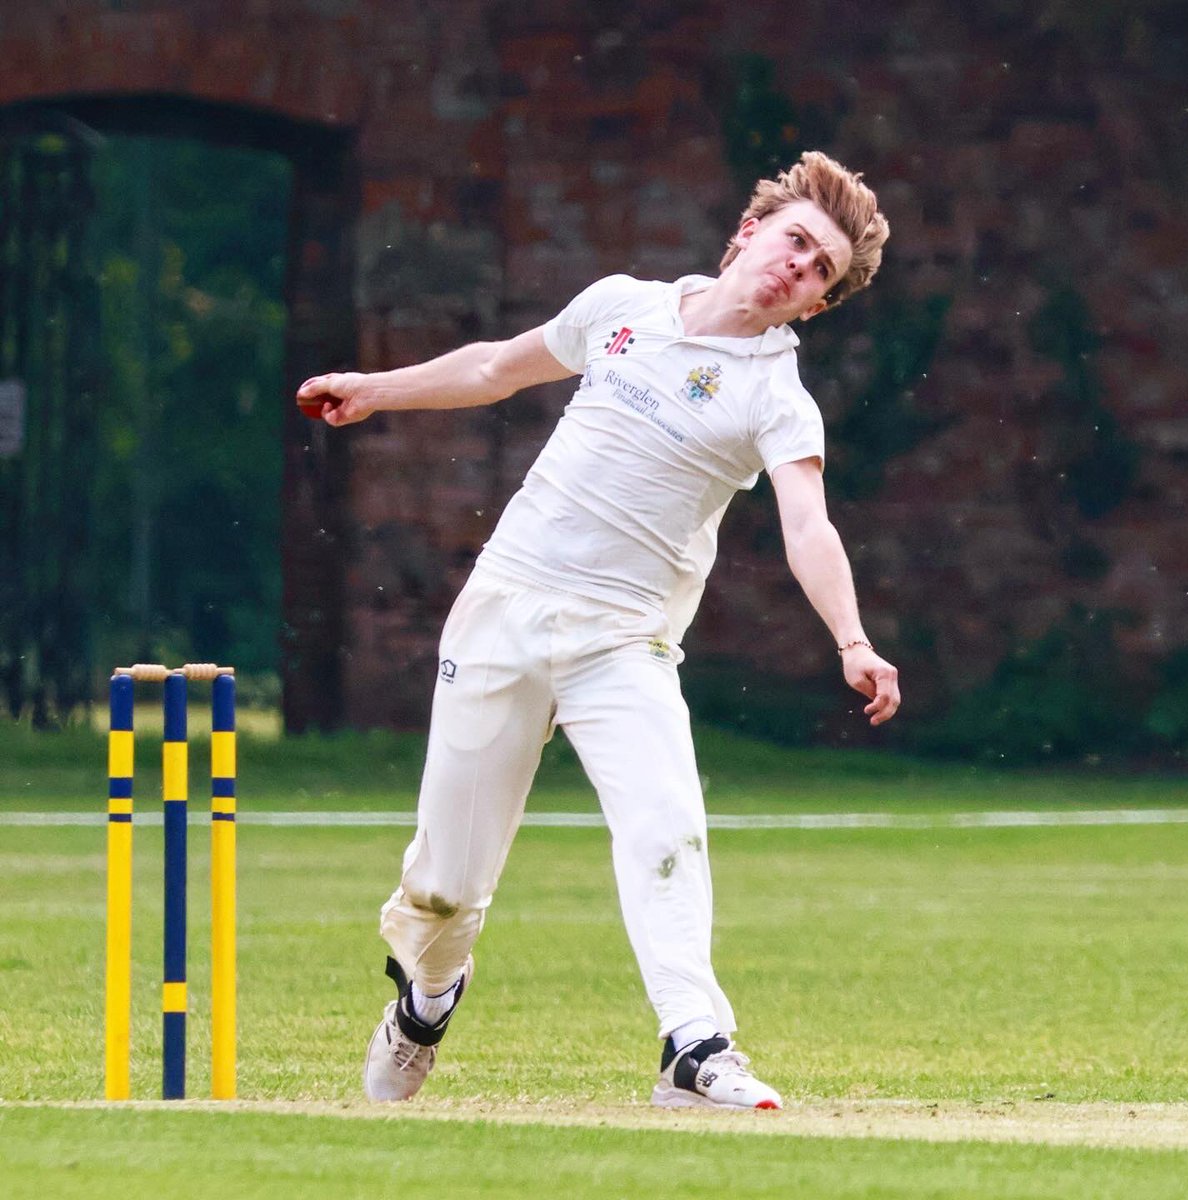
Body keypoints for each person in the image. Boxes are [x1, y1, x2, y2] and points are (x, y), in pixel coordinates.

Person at [296, 150, 900, 1111]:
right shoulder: (623, 305)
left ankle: (695, 1049)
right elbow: (496, 368)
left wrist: (852, 641)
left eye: (819, 270)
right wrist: (376, 387)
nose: (798, 266)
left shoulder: (775, 396)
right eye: (795, 241)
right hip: (504, 608)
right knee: (446, 888)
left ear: (814, 308)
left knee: (667, 826)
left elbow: (807, 522)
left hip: (625, 640)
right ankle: (427, 998)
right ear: (749, 233)